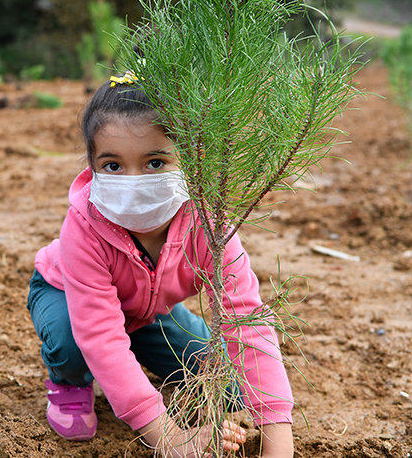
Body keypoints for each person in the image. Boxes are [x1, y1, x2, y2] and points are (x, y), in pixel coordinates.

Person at [26, 74, 294, 458]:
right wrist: (169, 437)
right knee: (74, 342)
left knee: (231, 387)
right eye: (113, 166)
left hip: (146, 312)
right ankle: (68, 382)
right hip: (65, 294)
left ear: (190, 156)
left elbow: (246, 321)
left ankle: (133, 351)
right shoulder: (83, 226)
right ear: (91, 165)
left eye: (155, 161)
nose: (134, 182)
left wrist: (277, 440)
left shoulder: (208, 224)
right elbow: (100, 334)